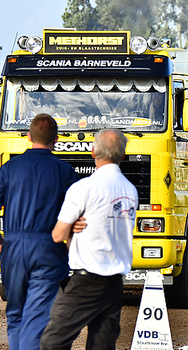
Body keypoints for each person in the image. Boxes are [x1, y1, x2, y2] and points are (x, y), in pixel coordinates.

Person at [0, 114, 79, 350]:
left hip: (13, 249)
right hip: (49, 249)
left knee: (15, 315)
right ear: (56, 139)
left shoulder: (9, 168)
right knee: (38, 318)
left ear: (28, 137)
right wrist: (68, 246)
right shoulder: (65, 171)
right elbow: (77, 215)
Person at [40, 129, 138, 350]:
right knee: (102, 345)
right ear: (123, 156)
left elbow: (57, 234)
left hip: (85, 280)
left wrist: (72, 228)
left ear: (93, 151)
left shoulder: (84, 188)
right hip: (114, 283)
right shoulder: (130, 191)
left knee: (52, 341)